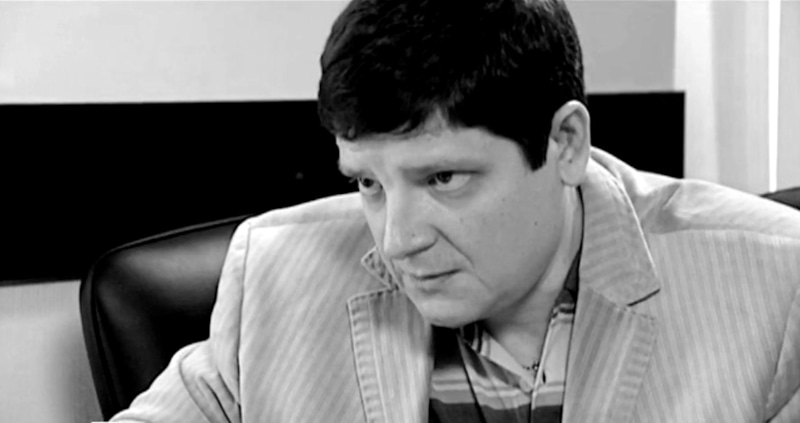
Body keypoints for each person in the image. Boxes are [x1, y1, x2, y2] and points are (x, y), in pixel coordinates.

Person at [109, 0, 800, 421]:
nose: (397, 240)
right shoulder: (275, 274)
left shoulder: (778, 288)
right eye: (369, 184)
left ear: (565, 143)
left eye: (442, 177)